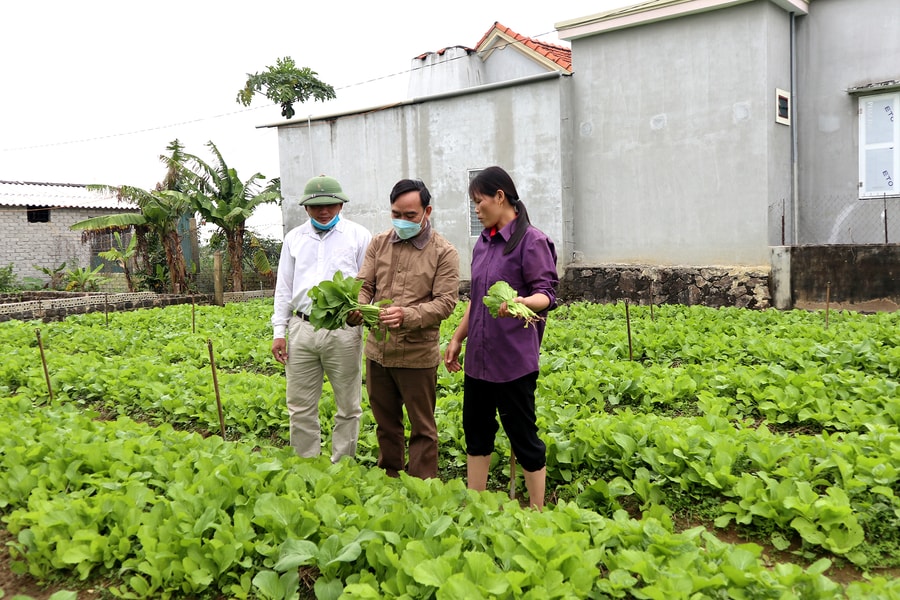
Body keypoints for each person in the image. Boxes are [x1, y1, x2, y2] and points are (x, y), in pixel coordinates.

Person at [444, 166, 558, 509]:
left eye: (479, 202)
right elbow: (477, 298)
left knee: (523, 436)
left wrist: (523, 303)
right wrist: (457, 338)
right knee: (476, 433)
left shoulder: (532, 241)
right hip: (478, 359)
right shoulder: (483, 243)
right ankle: (475, 503)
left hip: (512, 361)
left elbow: (547, 294)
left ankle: (538, 509)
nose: (476, 210)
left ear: (500, 197)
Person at [353, 178, 460, 479]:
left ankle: (422, 485)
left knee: (422, 427)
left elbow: (445, 303)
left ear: (427, 211)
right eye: (396, 214)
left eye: (410, 215)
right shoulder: (379, 243)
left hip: (417, 354)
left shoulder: (444, 252)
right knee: (385, 423)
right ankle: (390, 477)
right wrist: (360, 306)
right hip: (379, 351)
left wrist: (407, 315)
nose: (402, 221)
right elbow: (365, 284)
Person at [271, 174, 372, 463]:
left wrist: (362, 311)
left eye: (330, 204)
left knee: (348, 405)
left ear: (341, 205)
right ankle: (306, 464)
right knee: (300, 406)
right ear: (306, 209)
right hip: (301, 328)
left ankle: (343, 465)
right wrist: (280, 330)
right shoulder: (294, 239)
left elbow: (368, 284)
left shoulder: (359, 236)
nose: (323, 211)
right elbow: (284, 288)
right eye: (316, 206)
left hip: (343, 329)